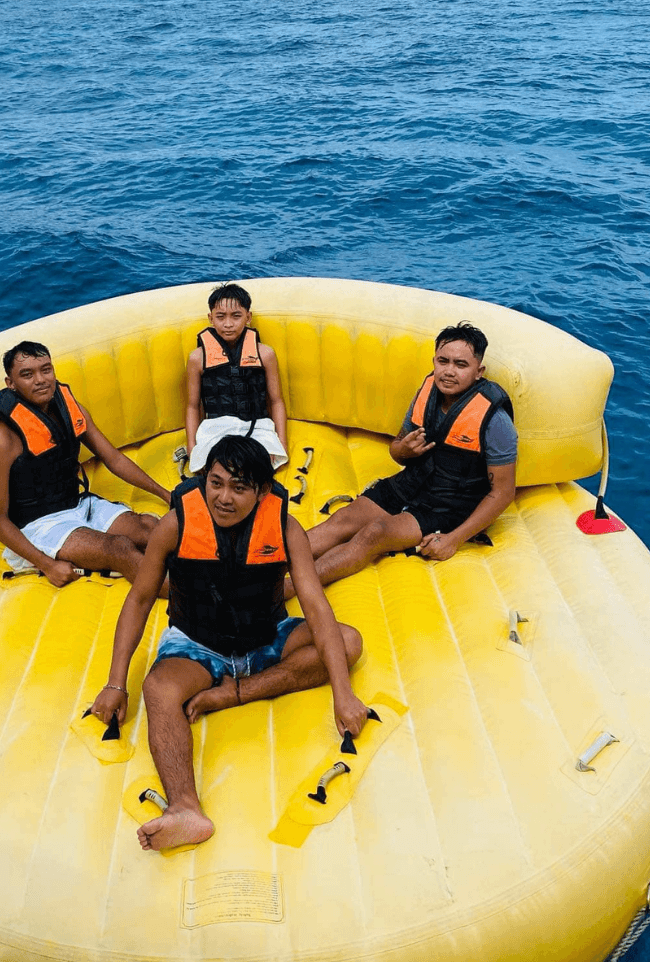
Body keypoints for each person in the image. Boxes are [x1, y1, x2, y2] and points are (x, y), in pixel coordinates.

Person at [90, 436, 367, 852]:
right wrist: (115, 683)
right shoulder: (177, 523)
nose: (224, 497)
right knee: (159, 689)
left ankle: (236, 693)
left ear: (261, 492)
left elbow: (314, 604)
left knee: (348, 642)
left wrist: (344, 696)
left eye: (239, 488)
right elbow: (141, 598)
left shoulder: (285, 528)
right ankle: (185, 809)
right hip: (199, 644)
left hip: (266, 637)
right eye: (215, 483)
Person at [298, 322, 517, 590]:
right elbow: (397, 449)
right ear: (434, 360)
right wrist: (404, 450)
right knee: (342, 520)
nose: (449, 371)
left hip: (450, 505)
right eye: (443, 361)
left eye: (461, 365)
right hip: (412, 483)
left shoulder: (495, 420)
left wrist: (454, 539)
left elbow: (503, 492)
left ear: (478, 371)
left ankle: (284, 590)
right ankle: (261, 567)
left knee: (374, 534)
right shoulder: (428, 391)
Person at [0, 340, 171, 588]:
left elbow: (114, 459)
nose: (40, 380)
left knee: (151, 528)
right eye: (27, 374)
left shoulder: (70, 408)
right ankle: (200, 604)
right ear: (10, 384)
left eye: (46, 370)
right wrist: (47, 564)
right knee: (120, 549)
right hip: (40, 525)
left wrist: (165, 494)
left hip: (78, 503)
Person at [185, 283, 289, 472]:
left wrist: (281, 442)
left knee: (260, 467)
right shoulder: (197, 358)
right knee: (214, 468)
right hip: (216, 428)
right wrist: (192, 447)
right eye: (220, 316)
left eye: (236, 316)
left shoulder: (265, 354)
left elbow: (276, 401)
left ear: (248, 318)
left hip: (257, 426)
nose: (228, 324)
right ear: (210, 318)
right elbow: (192, 406)